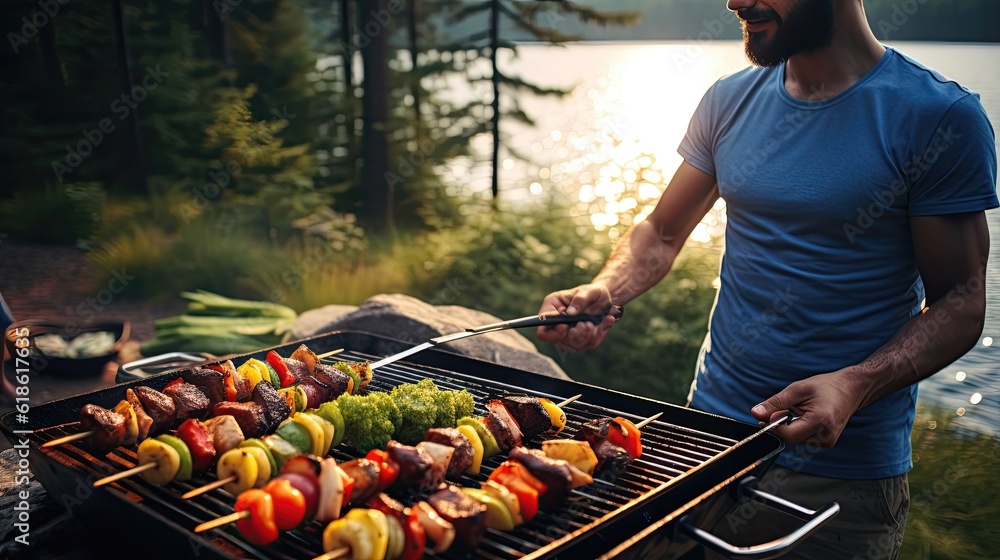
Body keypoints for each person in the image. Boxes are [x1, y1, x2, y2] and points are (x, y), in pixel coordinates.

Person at [536, 1, 997, 558]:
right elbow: (660, 231)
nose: (735, 1)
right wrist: (606, 290)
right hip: (702, 440)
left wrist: (853, 384)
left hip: (839, 479)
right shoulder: (729, 99)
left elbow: (961, 303)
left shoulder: (937, 116)